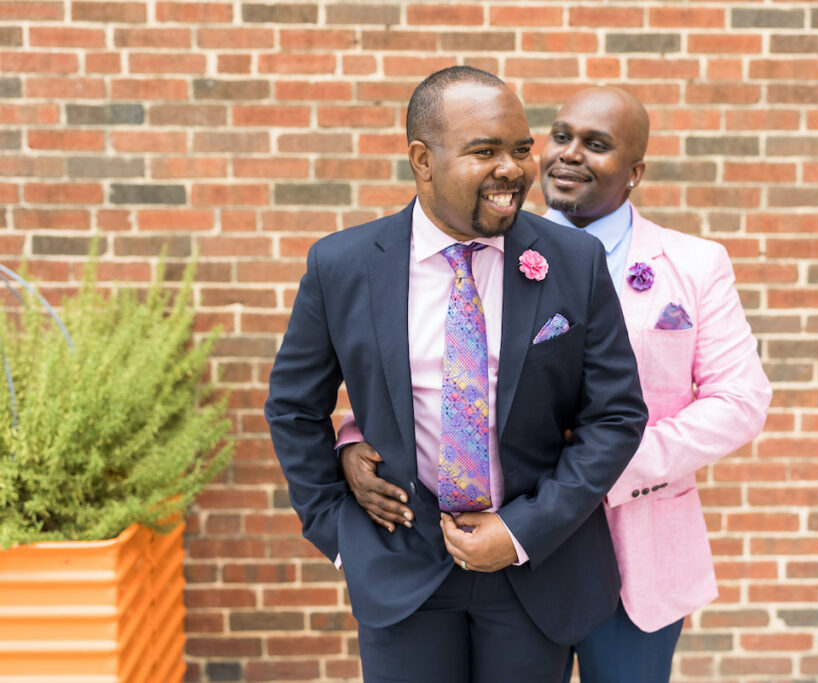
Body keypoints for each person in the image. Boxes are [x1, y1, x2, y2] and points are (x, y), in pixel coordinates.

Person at [264, 67, 648, 683]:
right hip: (400, 567)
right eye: (485, 151)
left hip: (535, 570)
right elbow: (293, 407)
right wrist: (337, 531)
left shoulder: (574, 261)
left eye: (521, 149)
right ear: (423, 160)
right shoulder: (343, 265)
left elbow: (616, 415)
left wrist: (522, 532)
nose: (512, 170)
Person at [542, 87, 773, 682]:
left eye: (596, 144)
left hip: (641, 550)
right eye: (561, 136)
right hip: (518, 546)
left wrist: (614, 458)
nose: (569, 154)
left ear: (635, 172)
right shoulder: (491, 254)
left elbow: (740, 401)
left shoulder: (695, 265)